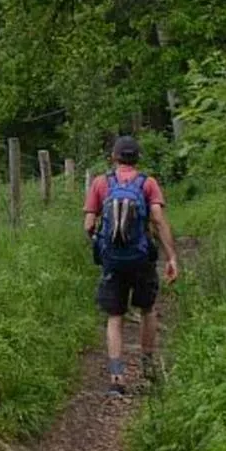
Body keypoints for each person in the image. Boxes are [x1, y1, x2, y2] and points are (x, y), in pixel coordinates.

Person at [83, 135, 178, 395]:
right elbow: (158, 220)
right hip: (141, 258)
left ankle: (116, 377)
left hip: (113, 260)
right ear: (137, 158)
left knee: (115, 316)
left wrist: (101, 245)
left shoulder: (101, 183)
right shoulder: (147, 184)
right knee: (147, 309)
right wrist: (171, 257)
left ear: (113, 157)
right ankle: (148, 368)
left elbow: (89, 224)